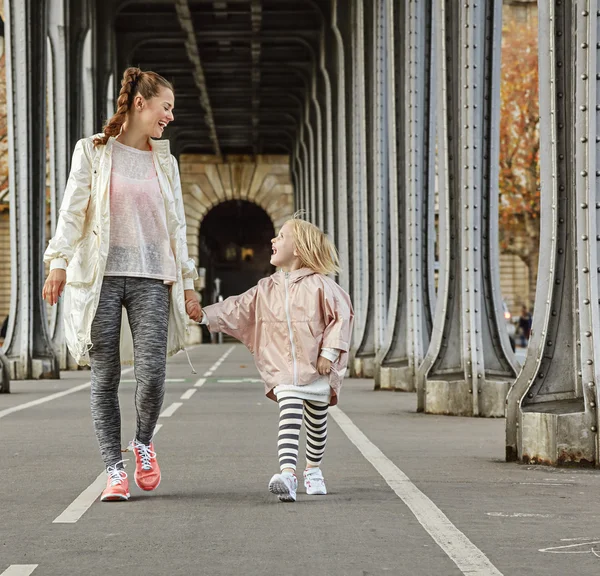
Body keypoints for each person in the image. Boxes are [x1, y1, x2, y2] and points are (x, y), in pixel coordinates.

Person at [42, 67, 202, 502]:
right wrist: (58, 261)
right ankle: (114, 469)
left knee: (152, 374)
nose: (170, 115)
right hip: (100, 278)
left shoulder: (165, 162)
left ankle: (144, 443)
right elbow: (73, 211)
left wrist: (187, 282)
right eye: (165, 107)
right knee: (106, 376)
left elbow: (176, 226)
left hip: (153, 276)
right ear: (139, 103)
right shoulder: (92, 151)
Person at [194, 215, 354, 502]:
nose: (273, 240)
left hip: (316, 368)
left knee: (317, 424)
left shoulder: (321, 285)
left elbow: (340, 318)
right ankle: (288, 475)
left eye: (281, 236)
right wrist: (206, 315)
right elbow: (237, 308)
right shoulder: (266, 288)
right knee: (289, 414)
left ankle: (313, 469)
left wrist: (328, 354)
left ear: (299, 247)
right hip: (283, 369)